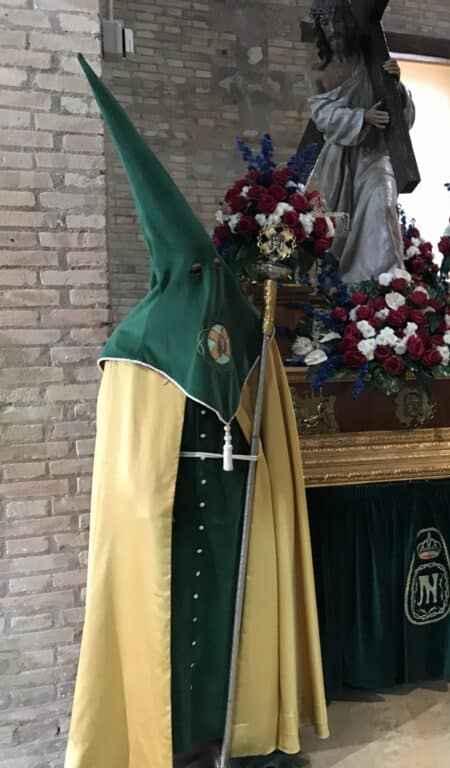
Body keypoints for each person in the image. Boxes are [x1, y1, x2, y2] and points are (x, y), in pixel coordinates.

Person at [67, 57, 329, 768]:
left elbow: (266, 430)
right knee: (167, 621)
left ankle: (235, 729)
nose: (203, 293)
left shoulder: (247, 329)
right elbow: (128, 482)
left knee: (227, 622)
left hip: (232, 506)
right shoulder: (136, 343)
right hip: (177, 515)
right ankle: (165, 740)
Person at [304, 0, 416, 284]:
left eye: (338, 21)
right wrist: (361, 117)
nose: (333, 29)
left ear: (350, 23)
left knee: (383, 204)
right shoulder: (320, 73)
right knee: (339, 229)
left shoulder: (372, 61)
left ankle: (387, 282)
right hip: (340, 162)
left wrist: (396, 87)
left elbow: (404, 116)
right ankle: (347, 287)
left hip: (375, 155)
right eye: (326, 23)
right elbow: (322, 116)